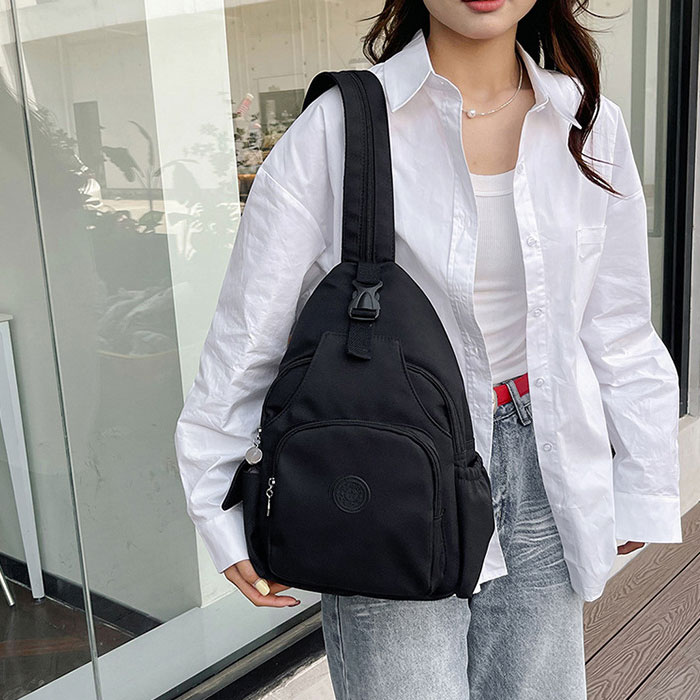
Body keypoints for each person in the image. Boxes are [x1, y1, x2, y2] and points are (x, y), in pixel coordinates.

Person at [174, 1, 683, 697]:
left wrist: (643, 475)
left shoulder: (587, 122)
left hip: (547, 461)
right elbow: (247, 334)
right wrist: (218, 499)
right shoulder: (342, 126)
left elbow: (617, 323)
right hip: (384, 467)